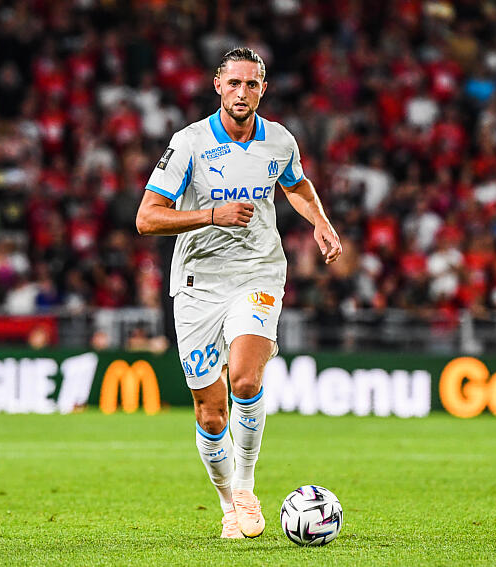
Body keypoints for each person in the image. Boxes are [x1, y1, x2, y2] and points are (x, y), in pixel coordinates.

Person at [135, 47, 342, 539]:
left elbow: (296, 184)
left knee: (246, 380)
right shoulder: (188, 145)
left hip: (258, 273)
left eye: (252, 84)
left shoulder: (280, 140)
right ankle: (229, 503)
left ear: (262, 89)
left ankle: (246, 487)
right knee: (211, 410)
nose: (242, 92)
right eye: (234, 84)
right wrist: (210, 214)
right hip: (198, 283)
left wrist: (321, 224)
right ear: (218, 86)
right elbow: (146, 218)